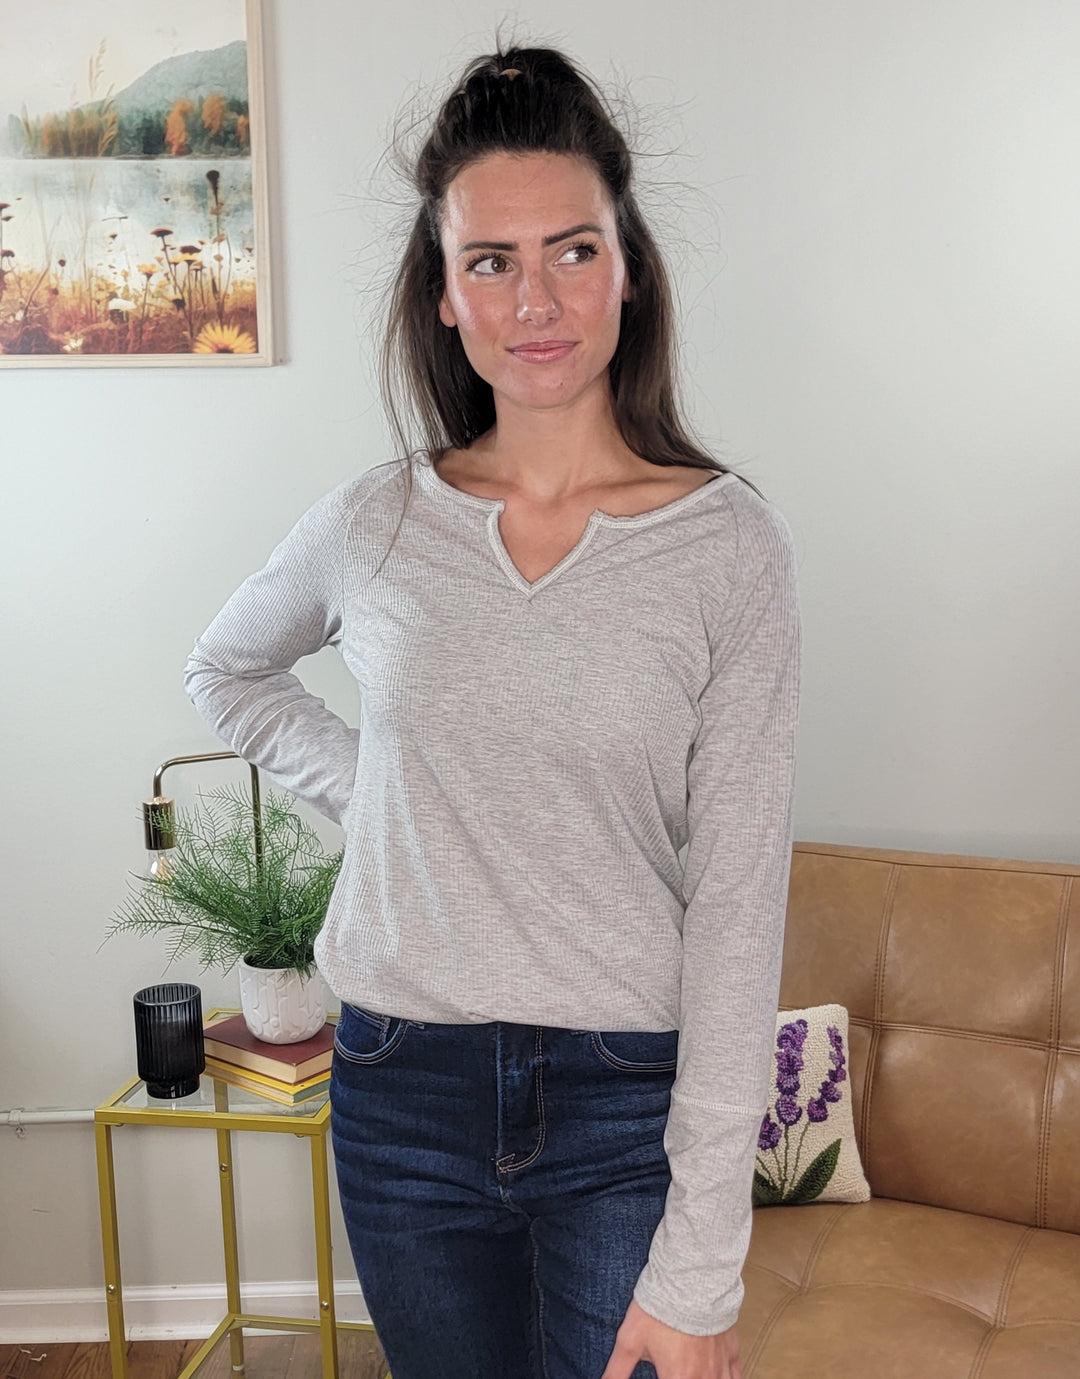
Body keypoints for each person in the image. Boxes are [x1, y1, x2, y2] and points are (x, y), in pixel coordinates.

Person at [184, 40, 801, 1379]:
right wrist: (387, 795)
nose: (539, 299)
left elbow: (742, 901)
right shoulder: (378, 521)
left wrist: (704, 1263)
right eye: (492, 261)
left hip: (621, 1098)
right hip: (403, 1091)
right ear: (445, 295)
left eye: (574, 251)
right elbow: (225, 670)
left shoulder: (727, 549)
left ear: (629, 267)